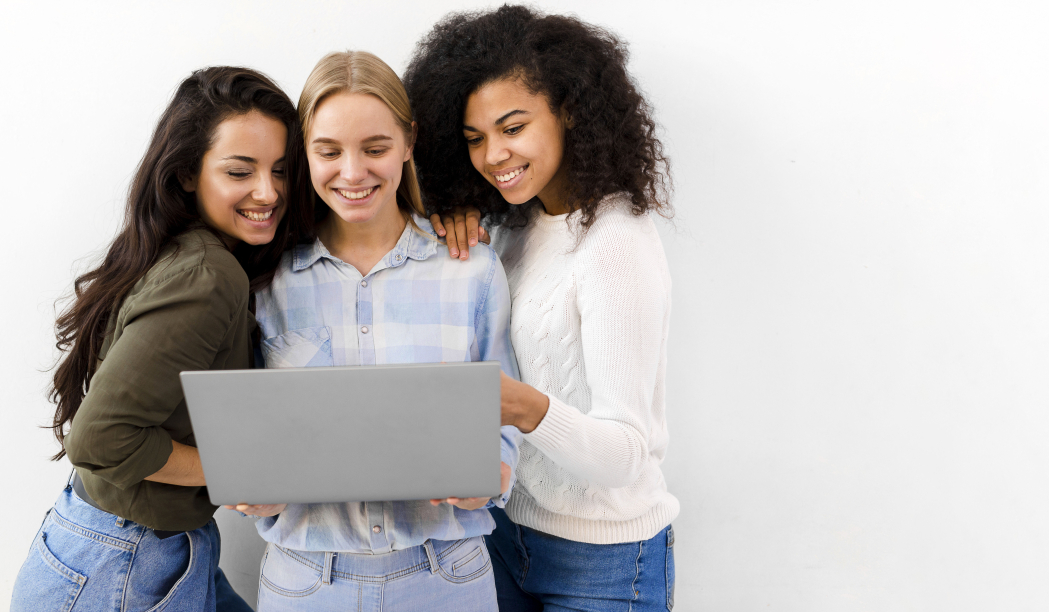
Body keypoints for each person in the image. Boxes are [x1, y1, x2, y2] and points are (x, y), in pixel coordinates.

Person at [405, 6, 678, 611]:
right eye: (474, 139)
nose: (493, 155)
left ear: (570, 110)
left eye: (513, 127)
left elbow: (628, 455)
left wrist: (523, 407)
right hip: (504, 536)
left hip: (602, 560)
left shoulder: (614, 243)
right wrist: (448, 214)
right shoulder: (516, 223)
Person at [11, 66, 310, 612]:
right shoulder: (209, 275)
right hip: (122, 564)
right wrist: (238, 475)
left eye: (282, 170)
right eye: (240, 171)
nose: (268, 192)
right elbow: (101, 439)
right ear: (189, 174)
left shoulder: (186, 252)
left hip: (145, 550)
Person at [239, 51, 521, 612]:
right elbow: (246, 429)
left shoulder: (471, 268)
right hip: (305, 582)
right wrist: (253, 491)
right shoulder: (262, 279)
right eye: (328, 151)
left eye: (375, 148)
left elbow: (506, 409)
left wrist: (495, 471)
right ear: (304, 153)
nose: (352, 173)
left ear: (409, 141)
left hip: (447, 577)